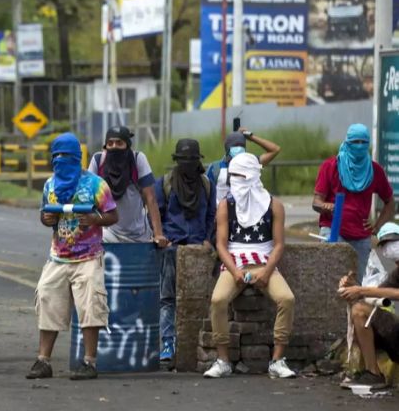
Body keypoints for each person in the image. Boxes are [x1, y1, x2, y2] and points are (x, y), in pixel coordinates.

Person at [27, 133, 118, 381]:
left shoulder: (96, 184)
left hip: (88, 257)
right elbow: (45, 215)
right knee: (47, 300)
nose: (61, 160)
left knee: (91, 307)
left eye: (66, 156)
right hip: (58, 257)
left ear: (78, 158)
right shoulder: (50, 185)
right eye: (56, 156)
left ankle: (89, 362)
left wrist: (95, 219)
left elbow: (113, 215)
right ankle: (43, 360)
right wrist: (47, 219)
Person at [203, 153, 297, 379]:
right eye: (233, 176)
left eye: (241, 176)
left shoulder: (274, 206)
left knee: (287, 299)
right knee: (218, 300)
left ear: (253, 176)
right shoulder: (227, 205)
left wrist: (266, 271)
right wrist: (235, 271)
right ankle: (223, 359)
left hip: (265, 261)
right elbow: (221, 245)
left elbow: (279, 244)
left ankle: (277, 359)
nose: (236, 181)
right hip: (235, 262)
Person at [155, 139, 216, 363]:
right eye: (183, 160)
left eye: (191, 160)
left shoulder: (207, 184)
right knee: (167, 297)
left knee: (198, 297)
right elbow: (157, 215)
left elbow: (212, 216)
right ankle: (168, 342)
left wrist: (208, 241)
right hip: (172, 249)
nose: (187, 164)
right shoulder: (164, 183)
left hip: (199, 249)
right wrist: (164, 240)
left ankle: (191, 343)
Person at [314, 124, 395, 280]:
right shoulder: (330, 166)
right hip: (333, 231)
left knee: (355, 284)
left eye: (363, 142)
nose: (359, 146)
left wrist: (377, 226)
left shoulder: (375, 170)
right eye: (355, 142)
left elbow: (390, 202)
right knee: (331, 280)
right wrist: (325, 206)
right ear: (347, 142)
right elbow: (316, 201)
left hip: (361, 236)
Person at [337, 222, 399, 389]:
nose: (390, 248)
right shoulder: (396, 273)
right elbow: (376, 293)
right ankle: (373, 373)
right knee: (359, 311)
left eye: (393, 242)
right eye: (385, 244)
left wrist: (361, 290)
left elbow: (393, 293)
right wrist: (353, 286)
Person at [89, 127, 167, 246]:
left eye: (119, 143)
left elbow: (150, 198)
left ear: (127, 145)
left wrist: (158, 234)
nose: (114, 146)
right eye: (110, 143)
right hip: (108, 232)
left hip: (138, 234)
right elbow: (87, 195)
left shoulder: (138, 159)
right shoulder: (98, 160)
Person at [208, 128, 281, 206]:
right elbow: (207, 194)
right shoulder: (215, 168)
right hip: (223, 215)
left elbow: (275, 150)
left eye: (241, 146)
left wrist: (251, 137)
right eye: (235, 146)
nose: (238, 149)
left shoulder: (251, 163)